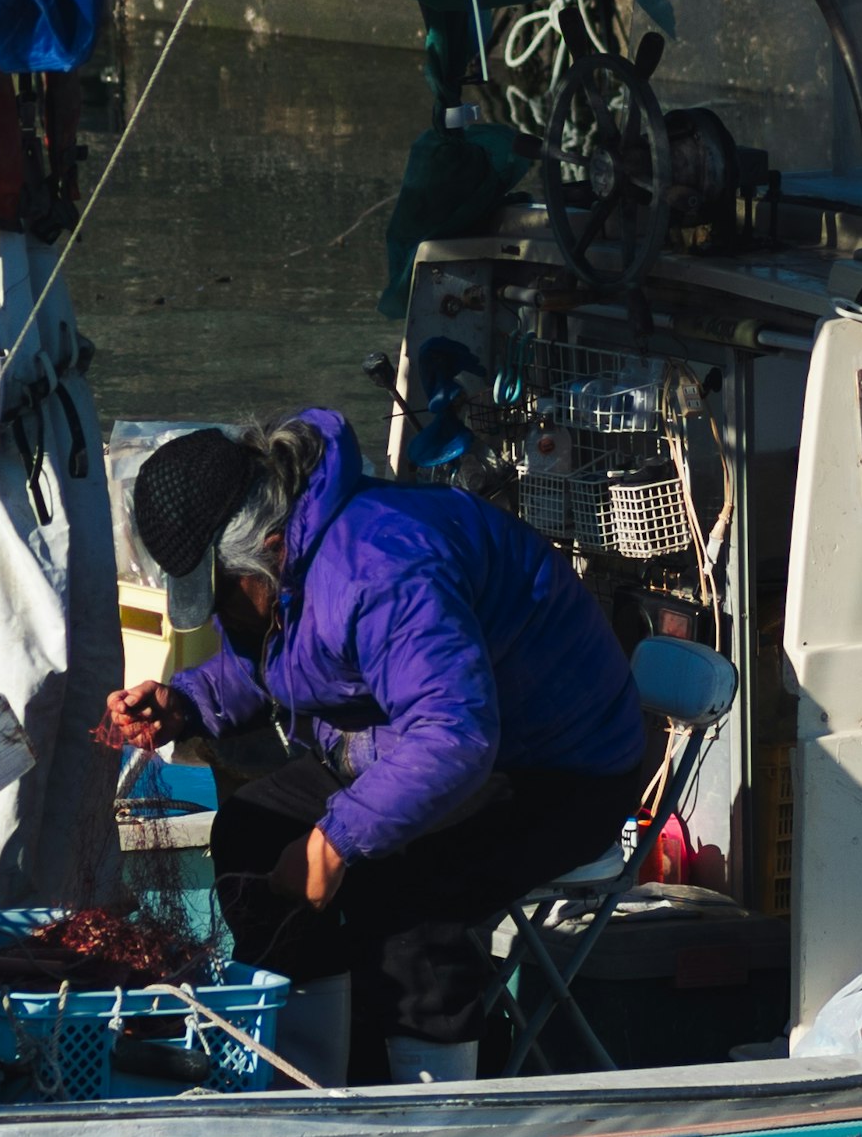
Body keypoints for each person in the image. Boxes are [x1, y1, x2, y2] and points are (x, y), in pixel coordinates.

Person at [107, 410, 644, 1081]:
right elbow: (289, 660)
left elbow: (457, 734)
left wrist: (333, 841)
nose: (219, 614)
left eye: (219, 591)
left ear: (268, 547)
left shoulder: (379, 569)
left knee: (407, 886)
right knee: (254, 828)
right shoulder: (290, 573)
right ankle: (309, 1079)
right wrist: (186, 702)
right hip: (414, 739)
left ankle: (429, 1120)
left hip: (558, 761)